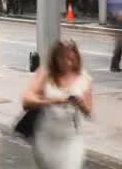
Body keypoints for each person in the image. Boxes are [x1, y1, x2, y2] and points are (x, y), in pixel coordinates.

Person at [22, 41, 93, 169]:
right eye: (62, 59)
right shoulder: (45, 73)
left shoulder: (84, 78)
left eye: (71, 59)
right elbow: (26, 100)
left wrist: (80, 103)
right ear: (55, 58)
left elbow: (88, 112)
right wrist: (51, 101)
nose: (67, 63)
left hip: (72, 139)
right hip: (46, 139)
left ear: (77, 58)